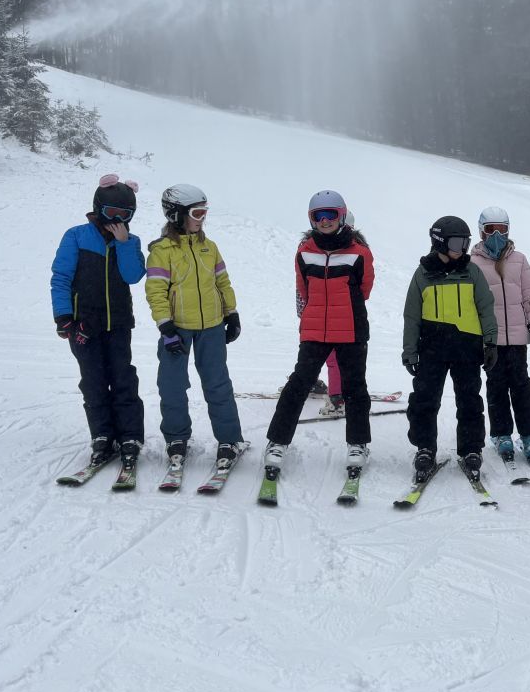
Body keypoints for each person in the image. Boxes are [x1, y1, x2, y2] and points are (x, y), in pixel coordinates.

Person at [264, 191, 375, 479]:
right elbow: (303, 288)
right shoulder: (304, 250)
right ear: (312, 219)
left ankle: (358, 444)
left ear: (341, 216)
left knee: (355, 388)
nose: (325, 221)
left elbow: (365, 289)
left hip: (351, 328)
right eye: (318, 216)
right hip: (314, 329)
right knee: (298, 384)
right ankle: (277, 441)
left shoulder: (359, 252)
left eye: (331, 215)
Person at [144, 183, 245, 480]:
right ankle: (176, 439)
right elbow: (156, 292)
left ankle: (229, 439)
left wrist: (232, 313)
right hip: (177, 330)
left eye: (204, 212)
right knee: (172, 386)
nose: (202, 218)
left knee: (218, 385)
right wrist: (166, 326)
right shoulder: (162, 252)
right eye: (196, 213)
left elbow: (222, 282)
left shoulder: (208, 247)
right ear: (176, 215)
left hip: (212, 327)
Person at [51, 175, 146, 476]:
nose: (117, 220)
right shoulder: (76, 236)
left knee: (123, 378)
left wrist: (123, 245)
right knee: (93, 381)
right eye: (112, 213)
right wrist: (64, 316)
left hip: (117, 323)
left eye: (125, 215)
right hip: (83, 325)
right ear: (98, 208)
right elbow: (61, 277)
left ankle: (130, 436)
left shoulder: (130, 241)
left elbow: (133, 276)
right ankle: (102, 436)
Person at [402, 215, 498, 478]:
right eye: (457, 243)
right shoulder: (423, 274)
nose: (463, 249)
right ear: (440, 242)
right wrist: (409, 350)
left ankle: (470, 449)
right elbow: (411, 316)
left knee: (469, 400)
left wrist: (490, 343)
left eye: (466, 243)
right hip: (431, 348)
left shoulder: (472, 272)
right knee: (424, 399)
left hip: (467, 348)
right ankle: (424, 447)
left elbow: (486, 309)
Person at [468, 206, 530, 464]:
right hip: (490, 339)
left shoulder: (519, 259)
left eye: (502, 230)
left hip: (517, 337)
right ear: (481, 231)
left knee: (521, 384)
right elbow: (472, 303)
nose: (496, 235)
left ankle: (528, 434)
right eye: (491, 230)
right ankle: (501, 433)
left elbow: (528, 293)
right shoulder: (473, 263)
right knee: (496, 385)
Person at [320, 210, 365, 415]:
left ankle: (337, 396)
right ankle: (327, 387)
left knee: (333, 357)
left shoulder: (356, 250)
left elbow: (364, 286)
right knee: (314, 353)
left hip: (341, 314)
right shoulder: (316, 245)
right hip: (317, 311)